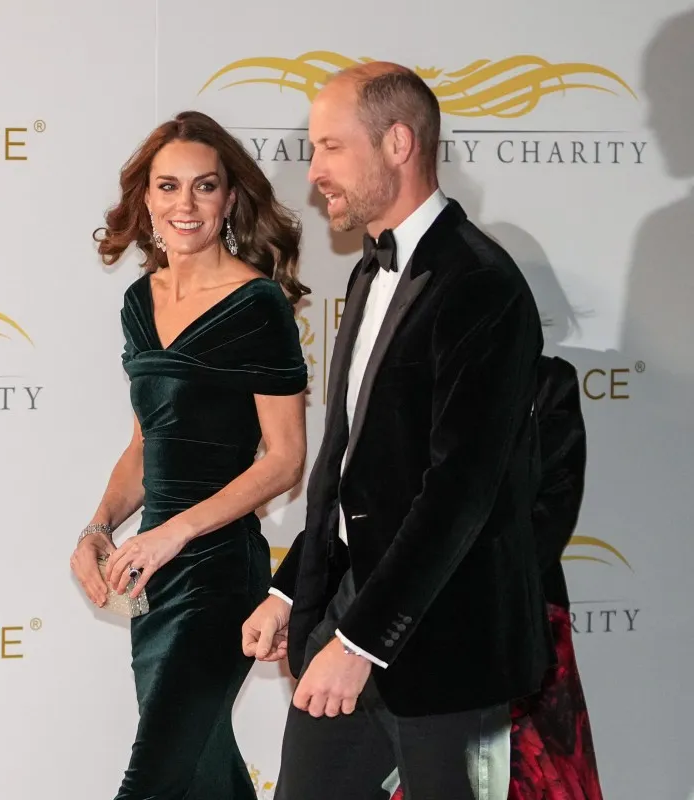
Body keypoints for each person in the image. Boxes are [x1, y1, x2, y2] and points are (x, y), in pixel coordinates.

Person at [241, 62, 549, 799]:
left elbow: (458, 494)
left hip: (445, 639)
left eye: (330, 148)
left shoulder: (482, 284)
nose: (313, 172)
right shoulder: (367, 274)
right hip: (351, 610)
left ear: (399, 143)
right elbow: (359, 473)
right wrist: (292, 591)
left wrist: (360, 642)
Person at [71, 109, 311, 799]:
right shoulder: (138, 303)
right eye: (168, 187)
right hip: (151, 577)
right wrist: (97, 528)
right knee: (206, 775)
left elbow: (287, 459)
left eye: (204, 187)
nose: (185, 205)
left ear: (230, 198)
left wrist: (176, 530)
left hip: (214, 571)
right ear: (145, 199)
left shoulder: (257, 305)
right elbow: (147, 446)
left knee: (152, 782)